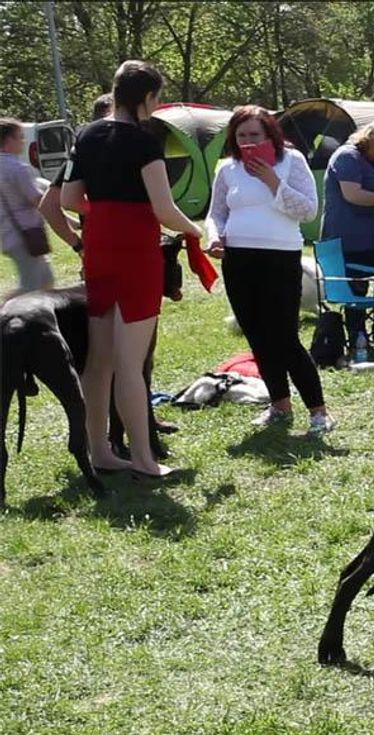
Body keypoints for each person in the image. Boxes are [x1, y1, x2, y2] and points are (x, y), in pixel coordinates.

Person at [61, 60, 201, 478]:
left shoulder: (85, 135)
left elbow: (69, 199)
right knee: (130, 364)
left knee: (99, 362)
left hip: (98, 252)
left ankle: (100, 451)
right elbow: (164, 209)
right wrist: (197, 230)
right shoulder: (144, 142)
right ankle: (143, 459)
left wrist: (104, 214)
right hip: (137, 254)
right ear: (147, 98)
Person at [205, 106, 334, 436]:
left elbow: (308, 211)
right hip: (239, 260)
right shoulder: (227, 169)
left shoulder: (292, 163)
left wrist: (273, 181)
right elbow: (215, 213)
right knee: (257, 336)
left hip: (280, 258)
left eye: (255, 135)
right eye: (242, 136)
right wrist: (215, 236)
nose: (248, 142)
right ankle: (279, 404)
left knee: (285, 338)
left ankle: (319, 412)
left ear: (271, 136)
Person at [321, 120, 374, 346]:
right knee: (356, 285)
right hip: (348, 238)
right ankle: (358, 335)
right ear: (372, 139)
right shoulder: (346, 157)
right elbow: (353, 195)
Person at [39, 93, 113, 256]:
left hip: (97, 248)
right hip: (107, 246)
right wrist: (79, 245)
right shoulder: (83, 156)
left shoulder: (80, 156)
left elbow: (48, 206)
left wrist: (80, 246)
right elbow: (48, 206)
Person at [0, 118, 52, 294]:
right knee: (32, 290)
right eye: (20, 137)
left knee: (46, 282)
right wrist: (68, 220)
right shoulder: (17, 168)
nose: (23, 141)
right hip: (25, 235)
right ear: (8, 141)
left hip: (9, 235)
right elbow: (37, 201)